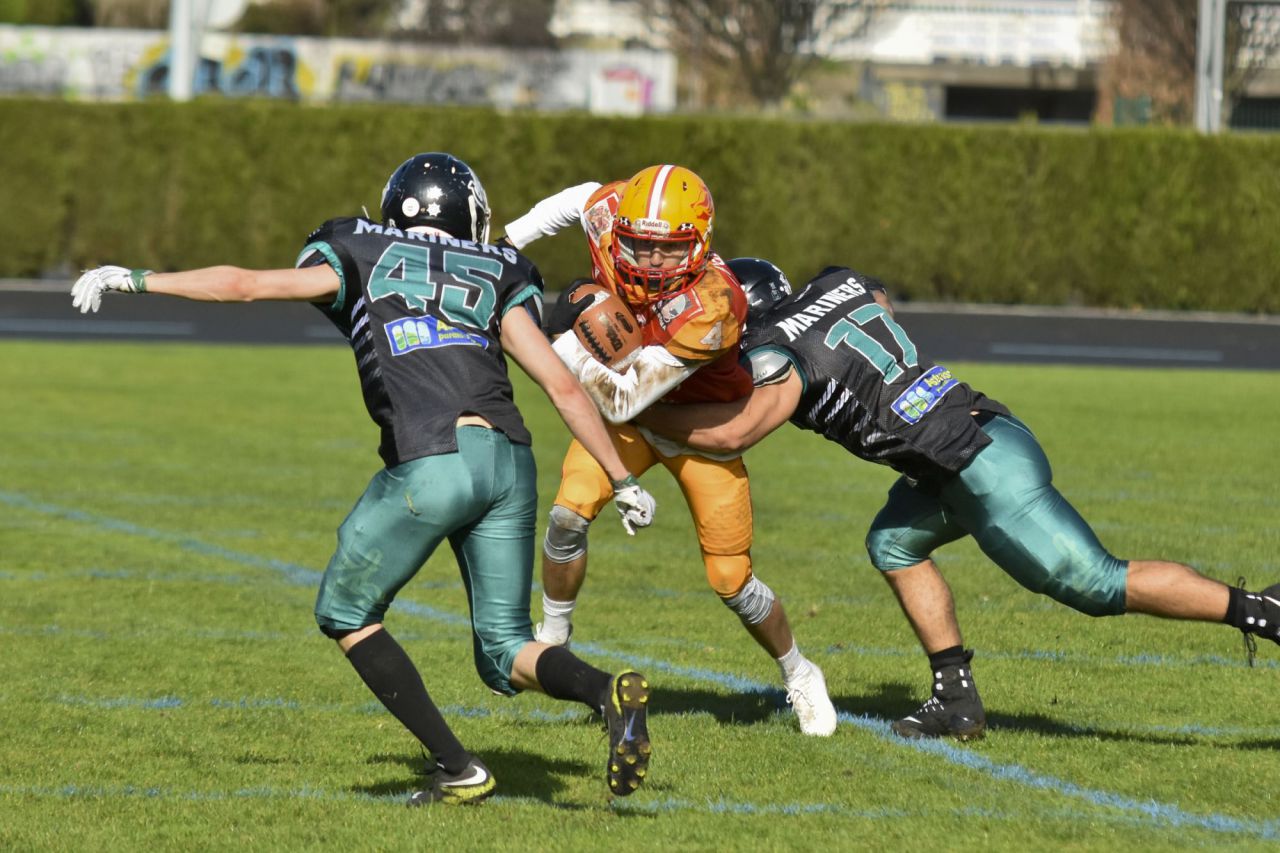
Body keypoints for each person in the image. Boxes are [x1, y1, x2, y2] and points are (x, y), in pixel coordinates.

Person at [69, 152, 661, 803]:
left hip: (434, 455)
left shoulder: (357, 246)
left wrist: (134, 277)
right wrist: (621, 478)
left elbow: (242, 285)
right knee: (504, 649)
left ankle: (460, 769)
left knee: (344, 610)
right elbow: (557, 382)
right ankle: (605, 691)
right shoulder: (496, 268)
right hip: (509, 462)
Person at [634, 257, 1280, 740]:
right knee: (893, 541)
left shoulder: (778, 352)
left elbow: (740, 429)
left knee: (1094, 582)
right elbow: (877, 297)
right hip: (965, 440)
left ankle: (1262, 610)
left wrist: (643, 415)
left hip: (977, 461)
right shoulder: (836, 283)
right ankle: (956, 696)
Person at [498, 166, 837, 736]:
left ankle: (800, 673)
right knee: (565, 514)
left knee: (732, 579)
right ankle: (554, 635)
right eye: (640, 245)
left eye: (668, 250)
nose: (651, 262)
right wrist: (509, 244)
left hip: (697, 426)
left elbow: (627, 398)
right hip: (629, 416)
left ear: (700, 244)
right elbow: (582, 198)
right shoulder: (610, 219)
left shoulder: (714, 303)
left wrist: (557, 343)